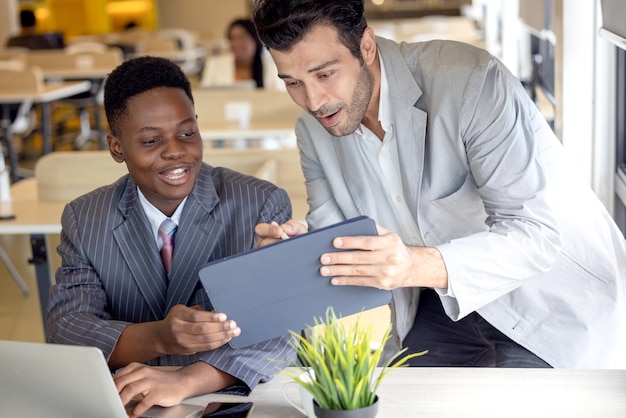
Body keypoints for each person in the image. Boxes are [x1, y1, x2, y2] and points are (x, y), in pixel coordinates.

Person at [252, 0, 626, 368]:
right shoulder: (313, 134)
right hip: (439, 304)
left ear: (366, 47)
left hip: (544, 298)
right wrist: (297, 249)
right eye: (293, 83)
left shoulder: (470, 81)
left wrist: (412, 265)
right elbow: (337, 237)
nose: (314, 101)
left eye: (324, 75)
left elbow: (534, 237)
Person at [46, 56, 295, 417]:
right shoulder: (86, 218)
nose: (176, 151)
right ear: (117, 148)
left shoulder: (258, 204)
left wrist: (186, 380)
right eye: (150, 140)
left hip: (231, 403)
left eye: (187, 133)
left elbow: (283, 330)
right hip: (129, 404)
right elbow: (67, 329)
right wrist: (160, 337)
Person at [200, 18, 282, 90]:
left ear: (255, 40)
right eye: (232, 38)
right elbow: (206, 95)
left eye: (242, 37)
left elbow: (276, 98)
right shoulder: (214, 64)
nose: (236, 43)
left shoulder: (271, 67)